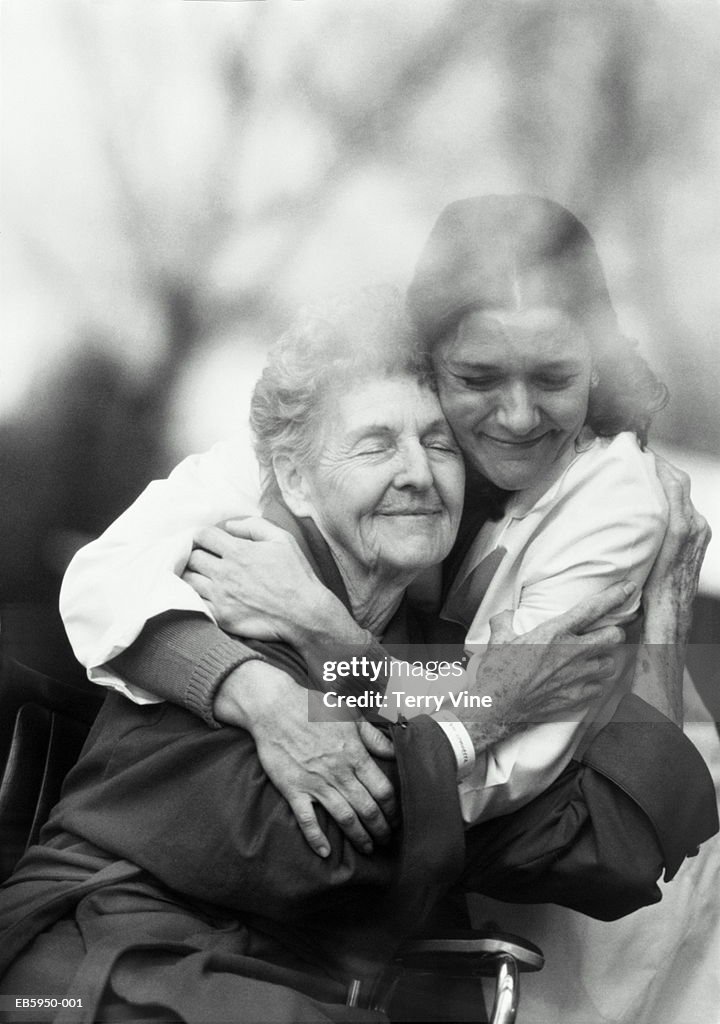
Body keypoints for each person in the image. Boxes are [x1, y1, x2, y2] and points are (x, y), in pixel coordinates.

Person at [0, 289, 670, 1024]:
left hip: (259, 985)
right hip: (96, 975)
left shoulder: (411, 637)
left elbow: (601, 839)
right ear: (292, 477)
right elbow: (311, 847)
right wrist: (491, 707)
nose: (417, 471)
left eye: (439, 444)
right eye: (377, 444)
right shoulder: (231, 581)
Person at [57, 197, 714, 845]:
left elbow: (498, 751)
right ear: (429, 360)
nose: (517, 416)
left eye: (553, 378)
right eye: (478, 377)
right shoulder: (337, 449)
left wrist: (329, 637)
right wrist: (258, 693)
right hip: (434, 895)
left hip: (611, 861)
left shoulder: (610, 498)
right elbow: (103, 584)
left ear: (597, 367)